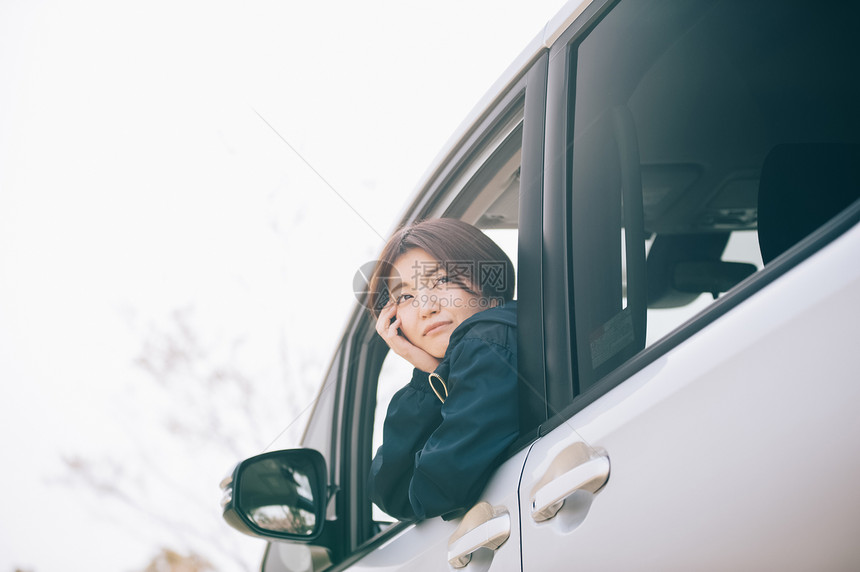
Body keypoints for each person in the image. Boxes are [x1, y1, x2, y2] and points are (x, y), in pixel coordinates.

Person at [366, 218, 519, 521]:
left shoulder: (489, 341)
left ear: (486, 279)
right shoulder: (492, 345)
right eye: (406, 297)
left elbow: (431, 493)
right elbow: (396, 494)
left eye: (442, 280)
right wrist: (428, 371)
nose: (426, 307)